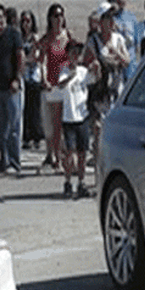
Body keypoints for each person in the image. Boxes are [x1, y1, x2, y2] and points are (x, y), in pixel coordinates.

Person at [84, 5, 130, 171]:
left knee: (116, 132)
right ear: (101, 21)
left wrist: (116, 54)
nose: (111, 22)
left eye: (113, 19)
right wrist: (94, 64)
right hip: (100, 91)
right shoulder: (93, 41)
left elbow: (126, 61)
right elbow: (87, 60)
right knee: (98, 130)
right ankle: (98, 169)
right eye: (107, 19)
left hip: (115, 90)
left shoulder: (118, 39)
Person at [57, 40, 98, 199]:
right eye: (73, 52)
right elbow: (60, 85)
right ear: (68, 54)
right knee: (70, 154)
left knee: (82, 153)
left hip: (82, 117)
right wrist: (70, 77)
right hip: (69, 118)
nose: (75, 56)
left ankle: (81, 182)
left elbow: (94, 79)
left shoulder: (83, 71)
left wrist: (96, 68)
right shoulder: (64, 70)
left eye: (78, 53)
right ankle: (67, 181)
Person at [0, 3, 24, 175]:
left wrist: (17, 78)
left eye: (1, 17)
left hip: (11, 88)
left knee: (14, 127)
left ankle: (15, 162)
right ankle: (4, 160)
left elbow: (20, 57)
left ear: (5, 18)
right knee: (0, 129)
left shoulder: (13, 34)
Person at [36, 3, 70, 173]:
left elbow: (72, 60)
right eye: (55, 15)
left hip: (63, 85)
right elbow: (41, 61)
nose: (58, 19)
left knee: (61, 124)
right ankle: (53, 155)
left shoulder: (67, 38)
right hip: (50, 86)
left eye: (61, 15)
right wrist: (44, 79)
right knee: (51, 123)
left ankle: (60, 156)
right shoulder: (46, 39)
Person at [20, 10, 43, 149]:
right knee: (25, 109)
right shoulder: (20, 38)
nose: (26, 24)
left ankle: (37, 136)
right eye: (23, 21)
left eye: (28, 21)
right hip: (24, 76)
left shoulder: (35, 38)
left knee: (35, 109)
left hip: (34, 76)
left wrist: (26, 59)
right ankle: (26, 137)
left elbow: (36, 56)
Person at [108, 0, 141, 80]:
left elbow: (136, 42)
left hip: (130, 61)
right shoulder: (109, 17)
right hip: (115, 62)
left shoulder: (131, 17)